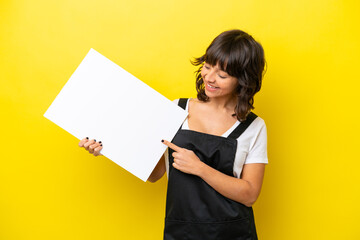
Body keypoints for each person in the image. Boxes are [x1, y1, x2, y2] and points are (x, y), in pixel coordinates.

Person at [79, 29, 267, 240]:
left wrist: (199, 168)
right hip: (182, 232)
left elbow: (250, 194)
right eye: (207, 66)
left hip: (234, 233)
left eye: (222, 75)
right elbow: (154, 174)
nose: (209, 78)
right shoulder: (176, 110)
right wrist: (109, 148)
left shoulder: (254, 126)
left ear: (242, 80)